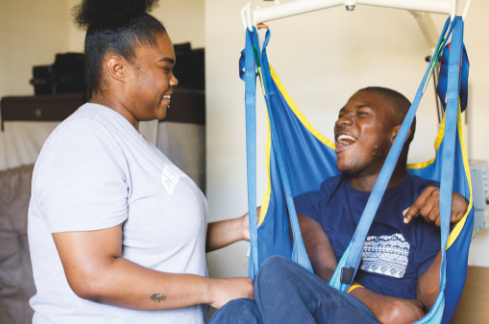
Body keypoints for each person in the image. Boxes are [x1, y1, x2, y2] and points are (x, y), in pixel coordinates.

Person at [27, 1, 253, 323]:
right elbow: (93, 276)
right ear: (117, 68)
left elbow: (163, 241)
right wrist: (213, 289)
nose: (173, 80)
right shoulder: (84, 141)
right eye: (165, 68)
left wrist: (240, 227)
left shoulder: (131, 142)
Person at [209, 87, 468, 324]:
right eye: (341, 114)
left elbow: (430, 305)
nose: (341, 121)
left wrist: (454, 225)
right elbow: (327, 275)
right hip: (336, 309)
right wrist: (387, 308)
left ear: (398, 134)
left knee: (269, 279)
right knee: (240, 309)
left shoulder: (427, 200)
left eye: (362, 114)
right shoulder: (314, 203)